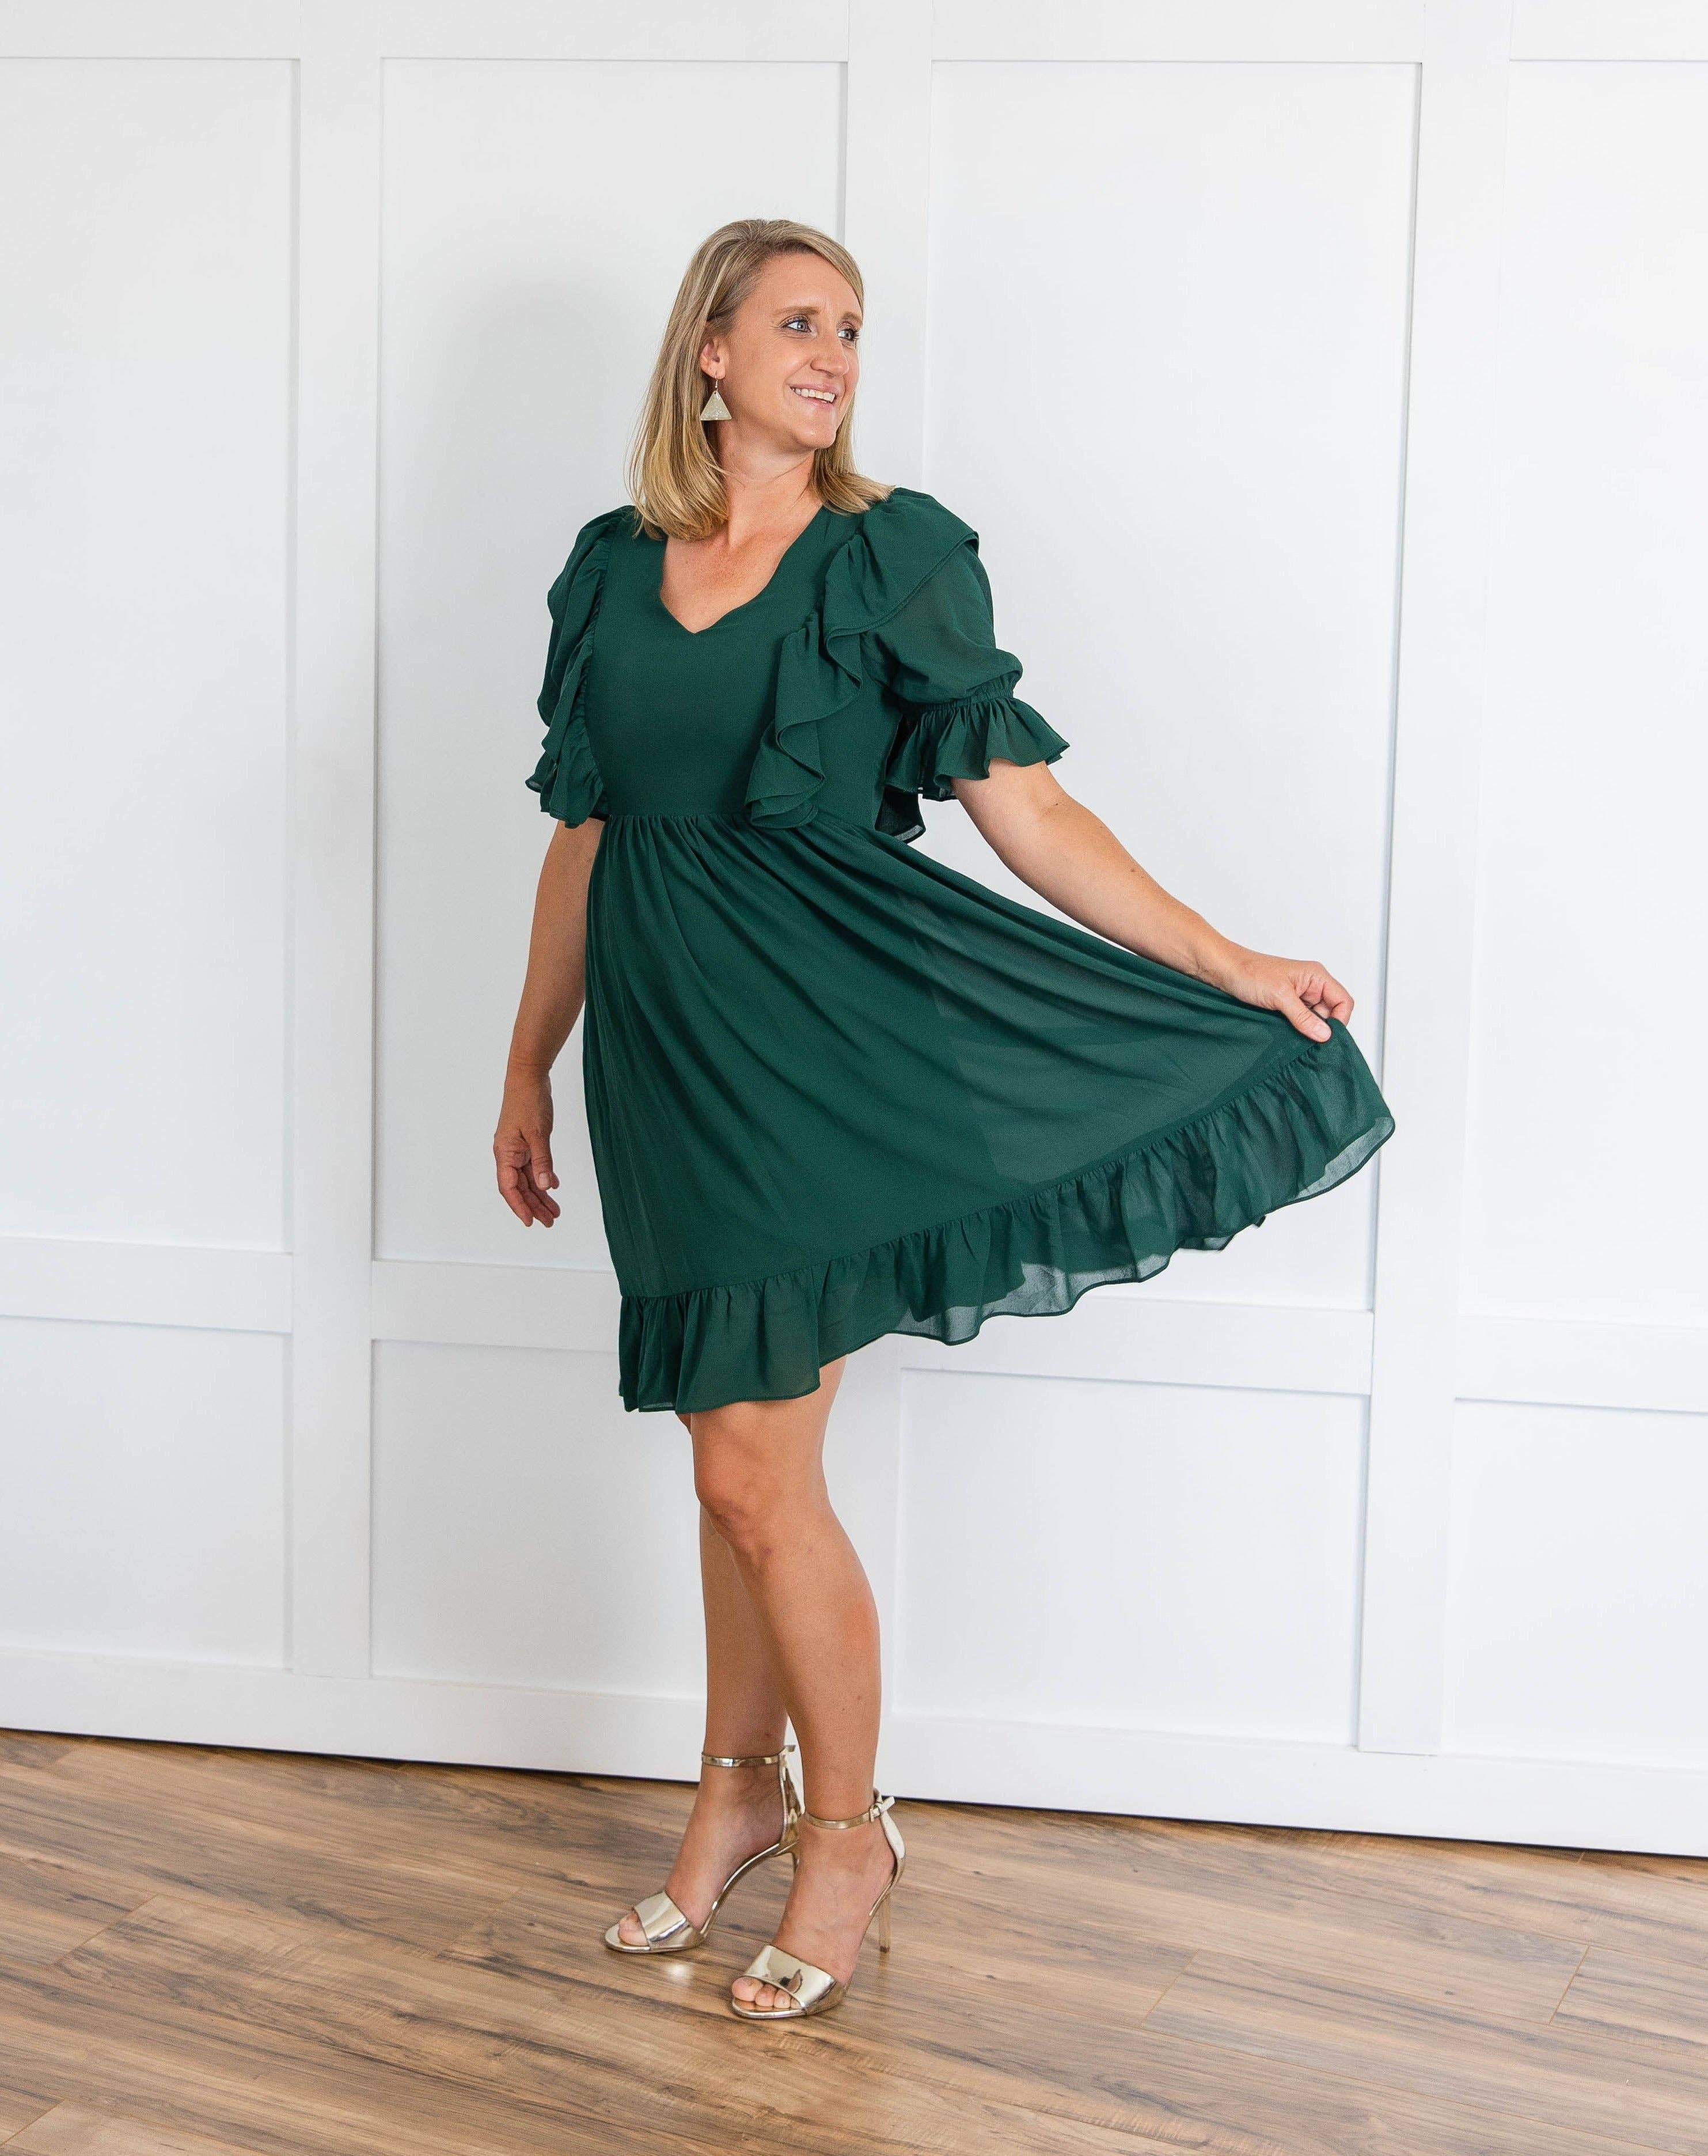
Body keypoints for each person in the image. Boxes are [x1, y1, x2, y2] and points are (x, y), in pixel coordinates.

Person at [494, 218, 1394, 2024]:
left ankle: (847, 1837)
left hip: (828, 1046)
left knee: (752, 1474)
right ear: (710, 355)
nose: (832, 356)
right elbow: (586, 833)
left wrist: (1223, 957)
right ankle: (733, 1799)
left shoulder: (890, 553)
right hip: (663, 1059)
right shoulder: (607, 566)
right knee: (730, 1458)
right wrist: (527, 1061)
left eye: (850, 328)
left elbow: (1025, 805)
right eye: (797, 324)